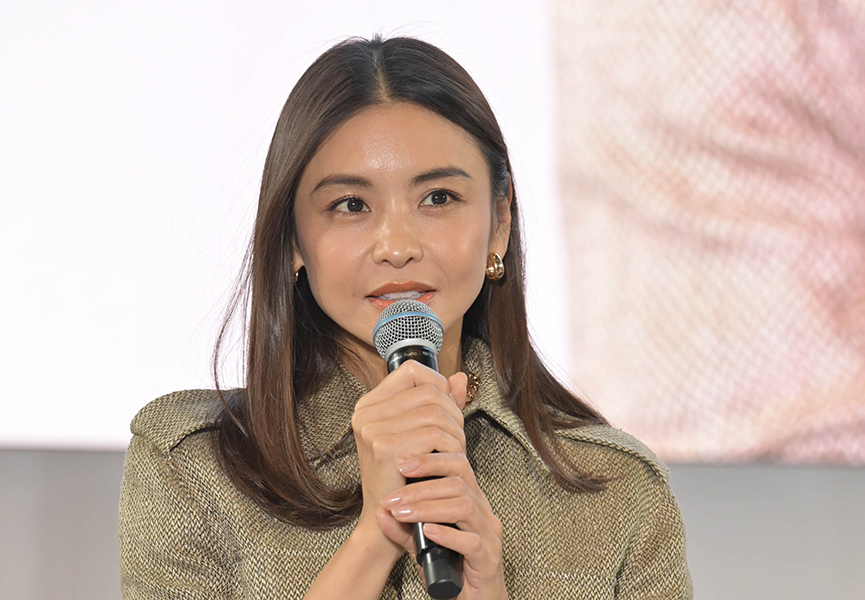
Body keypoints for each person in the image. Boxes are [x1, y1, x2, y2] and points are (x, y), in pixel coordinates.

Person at [118, 36, 692, 600]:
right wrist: (376, 537)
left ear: (499, 222)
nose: (397, 246)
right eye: (351, 205)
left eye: (438, 198)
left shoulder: (618, 493)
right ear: (293, 239)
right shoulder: (192, 470)